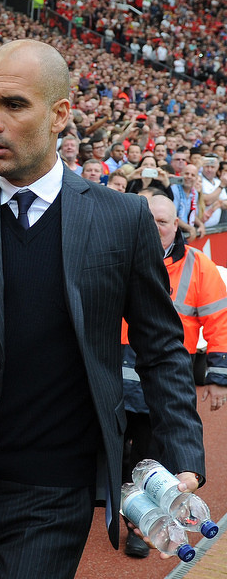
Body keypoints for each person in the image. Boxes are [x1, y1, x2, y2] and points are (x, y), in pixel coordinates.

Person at [0, 39, 205, 579]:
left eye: (13, 104)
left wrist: (183, 452)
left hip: (53, 491)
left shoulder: (123, 218)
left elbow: (160, 346)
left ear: (61, 114)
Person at [120, 193, 227, 558]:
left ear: (176, 226)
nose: (153, 228)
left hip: (162, 374)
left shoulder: (198, 266)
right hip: (114, 372)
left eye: (161, 222)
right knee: (115, 453)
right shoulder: (113, 253)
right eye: (146, 219)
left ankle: (141, 526)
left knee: (152, 456)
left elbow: (219, 320)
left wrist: (216, 376)